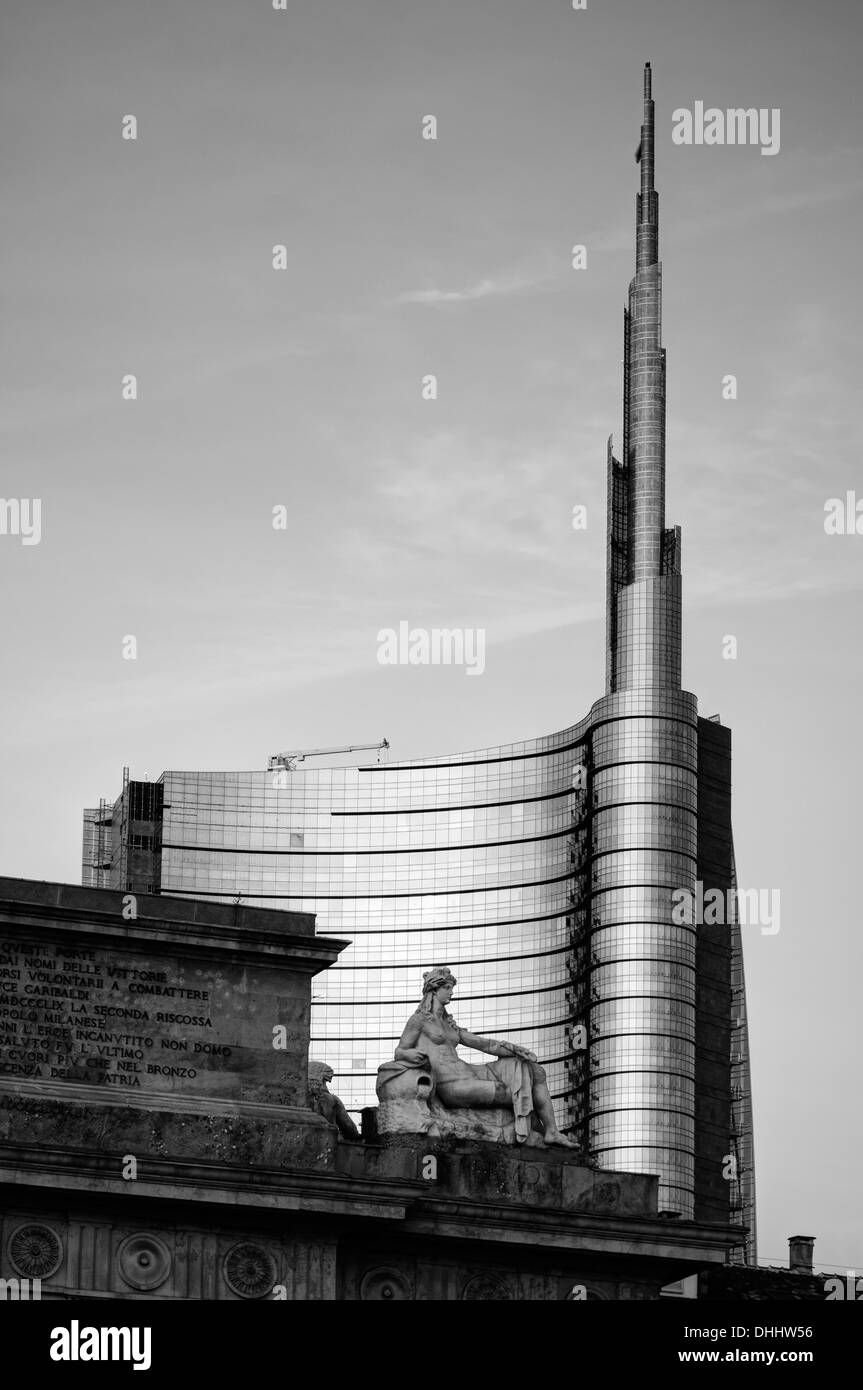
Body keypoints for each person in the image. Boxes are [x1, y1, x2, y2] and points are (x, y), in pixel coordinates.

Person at [391, 966, 576, 1147]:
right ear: (433, 990)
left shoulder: (450, 1025)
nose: (451, 993)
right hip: (452, 1085)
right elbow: (400, 1051)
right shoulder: (419, 1020)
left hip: (471, 1072)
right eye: (447, 988)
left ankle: (552, 1131)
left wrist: (515, 1050)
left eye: (451, 988)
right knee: (509, 1091)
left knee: (534, 1070)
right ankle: (526, 1129)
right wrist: (412, 1055)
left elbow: (485, 1044)